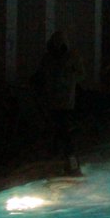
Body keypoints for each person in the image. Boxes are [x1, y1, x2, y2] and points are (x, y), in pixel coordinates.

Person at [32, 31, 84, 159]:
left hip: (65, 99)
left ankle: (65, 153)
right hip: (54, 99)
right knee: (58, 125)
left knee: (62, 126)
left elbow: (81, 75)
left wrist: (69, 79)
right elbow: (41, 74)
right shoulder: (49, 58)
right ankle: (62, 153)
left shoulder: (71, 57)